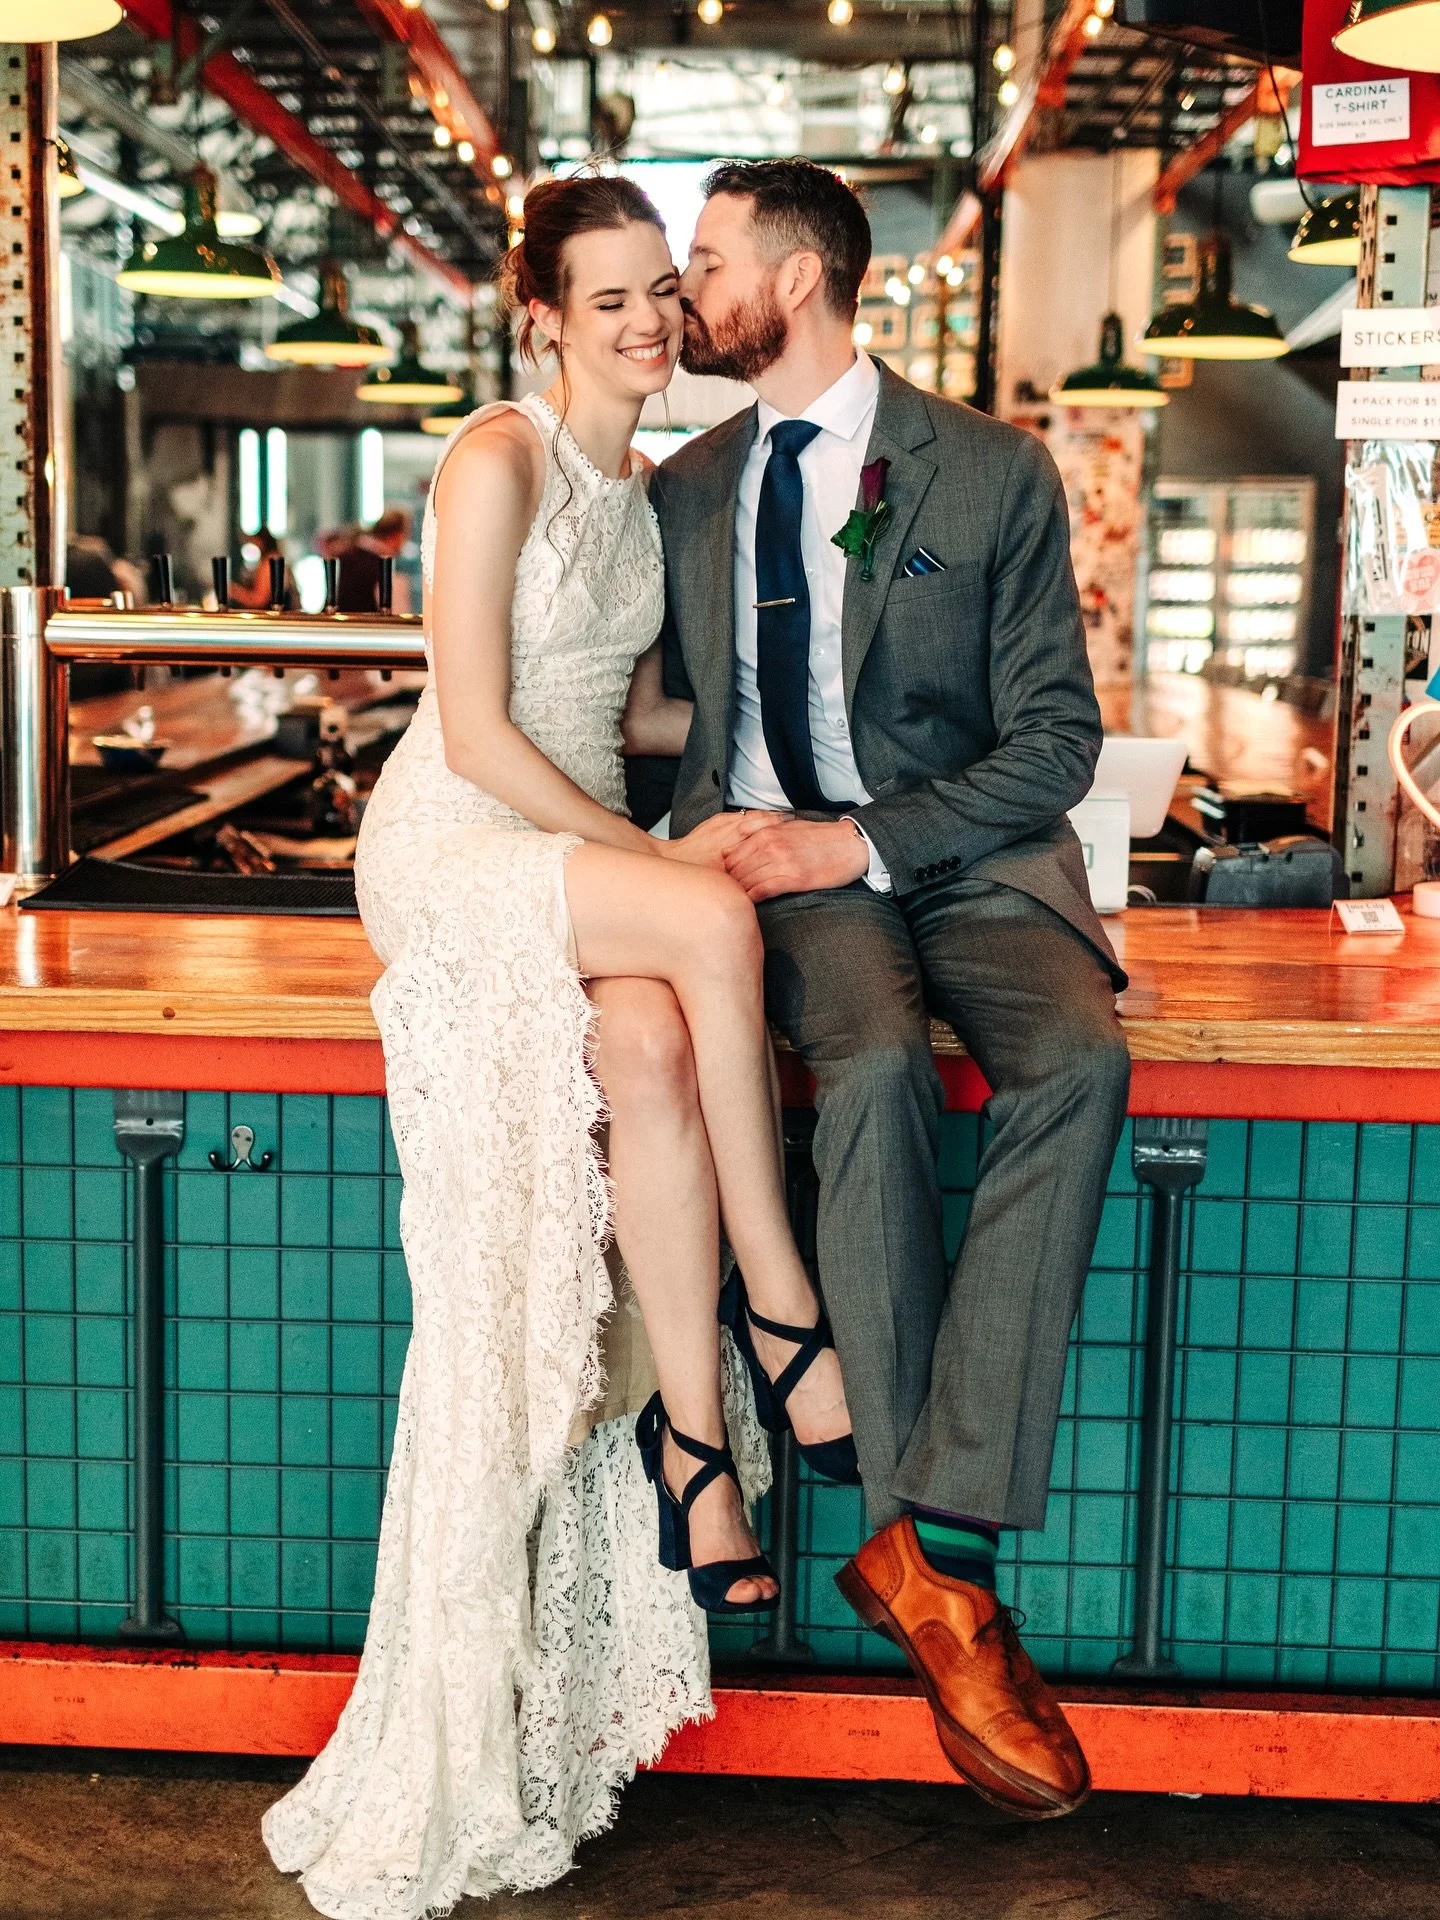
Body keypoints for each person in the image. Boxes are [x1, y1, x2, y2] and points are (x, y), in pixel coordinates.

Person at [263, 174, 853, 1919]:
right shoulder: (496, 459)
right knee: (705, 924)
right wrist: (661, 861)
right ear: (538, 318)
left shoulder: (649, 485)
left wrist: (770, 765)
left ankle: (691, 1447)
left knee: (663, 1050)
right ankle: (777, 1310)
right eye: (609, 302)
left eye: (664, 294)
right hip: (460, 842)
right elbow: (472, 722)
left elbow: (646, 704)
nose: (652, 326)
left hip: (574, 847)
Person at [647, 157, 1131, 1820]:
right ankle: (947, 1590)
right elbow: (654, 720)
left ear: (792, 277)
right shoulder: (690, 485)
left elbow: (1055, 742)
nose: (679, 293)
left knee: (1076, 1060)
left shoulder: (990, 473)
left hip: (967, 865)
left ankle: (934, 1540)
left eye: (704, 260)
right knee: (866, 1078)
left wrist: (862, 839)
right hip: (785, 888)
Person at [328, 508, 414, 614]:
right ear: (398, 536)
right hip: (369, 628)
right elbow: (398, 614)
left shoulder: (345, 556)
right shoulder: (385, 569)